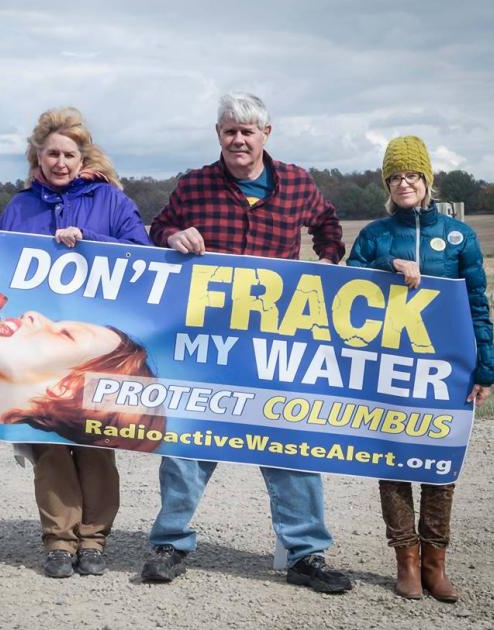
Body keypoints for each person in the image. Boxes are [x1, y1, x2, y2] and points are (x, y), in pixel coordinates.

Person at [142, 92, 351, 593]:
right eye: (230, 130)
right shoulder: (194, 185)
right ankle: (170, 543)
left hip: (271, 340)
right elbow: (158, 229)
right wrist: (172, 236)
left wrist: (327, 262)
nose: (239, 138)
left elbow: (328, 225)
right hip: (205, 339)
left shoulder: (297, 182)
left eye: (248, 130)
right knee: (188, 440)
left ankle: (305, 554)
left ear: (266, 135)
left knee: (290, 443)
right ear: (219, 135)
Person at [0, 107, 151, 578]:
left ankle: (95, 539)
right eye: (51, 154)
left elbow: (141, 251)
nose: (59, 162)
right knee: (48, 443)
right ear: (37, 157)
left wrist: (89, 240)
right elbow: (1, 263)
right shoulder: (19, 206)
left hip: (95, 345)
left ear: (83, 158)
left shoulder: (111, 200)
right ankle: (59, 541)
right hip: (39, 347)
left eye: (68, 154)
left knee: (94, 442)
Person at [347, 135, 493, 602]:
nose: (404, 183)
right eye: (395, 176)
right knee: (392, 461)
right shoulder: (375, 233)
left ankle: (435, 563)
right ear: (387, 184)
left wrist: (485, 367)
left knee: (438, 463)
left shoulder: (459, 237)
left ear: (427, 179)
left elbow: (476, 304)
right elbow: (348, 283)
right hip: (388, 364)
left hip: (443, 369)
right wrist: (389, 264)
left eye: (412, 175)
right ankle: (405, 560)